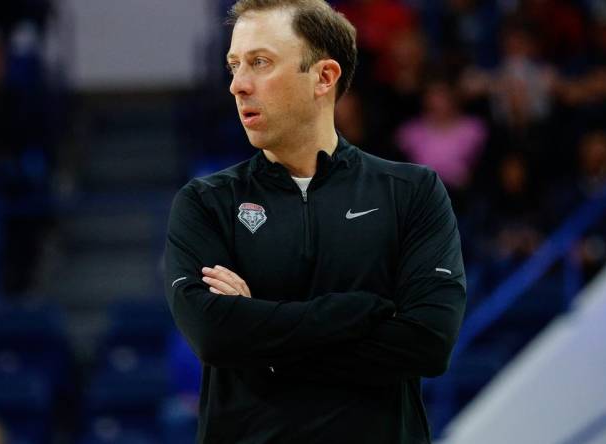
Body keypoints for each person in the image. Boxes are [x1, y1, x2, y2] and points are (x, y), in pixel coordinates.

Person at [163, 1, 466, 443]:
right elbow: (213, 335)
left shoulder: (411, 193)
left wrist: (260, 334)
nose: (238, 85)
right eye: (233, 66)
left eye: (260, 63)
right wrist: (360, 310)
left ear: (324, 77)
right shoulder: (205, 203)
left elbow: (429, 342)